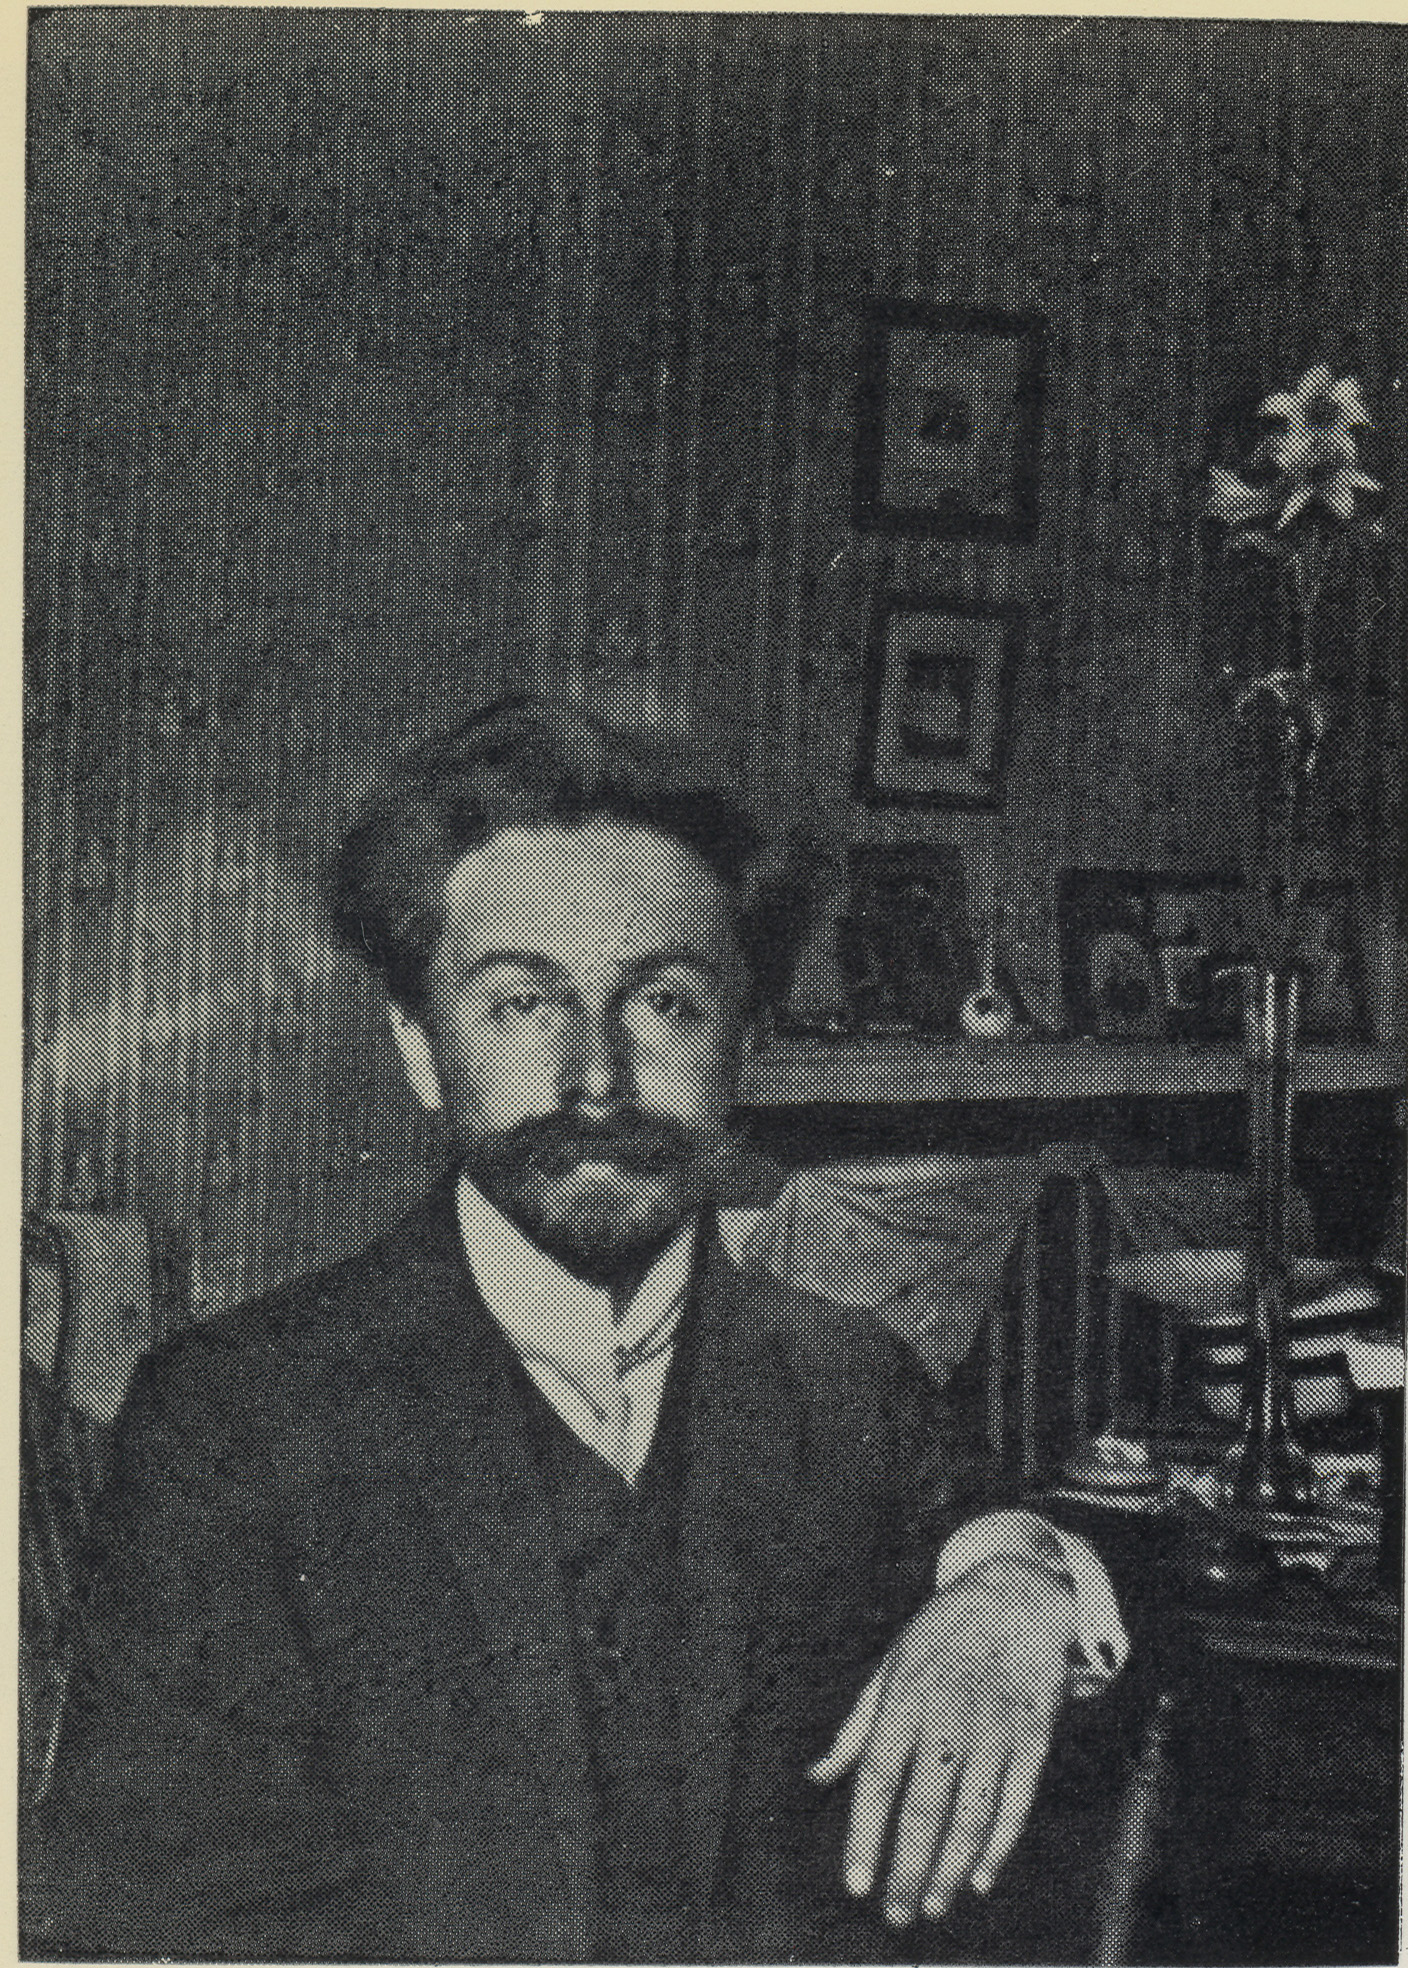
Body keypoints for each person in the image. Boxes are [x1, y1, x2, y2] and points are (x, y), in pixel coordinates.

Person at [24, 698, 1127, 1963]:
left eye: (661, 1002)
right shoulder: (234, 1418)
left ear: (745, 1048)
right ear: (420, 1050)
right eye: (521, 1004)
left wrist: (1018, 1587)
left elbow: (1029, 1568)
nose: (596, 1078)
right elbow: (143, 1914)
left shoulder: (847, 1380)